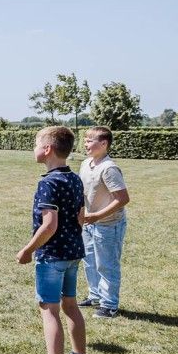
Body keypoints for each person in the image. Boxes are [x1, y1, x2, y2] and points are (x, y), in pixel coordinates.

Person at [16, 126, 90, 354]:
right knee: (70, 305)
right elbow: (81, 217)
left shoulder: (48, 183)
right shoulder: (74, 179)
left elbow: (49, 225)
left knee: (49, 311)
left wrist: (28, 250)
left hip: (52, 256)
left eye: (36, 143)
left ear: (47, 149)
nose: (34, 148)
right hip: (73, 254)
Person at [77, 126, 130, 318]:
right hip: (90, 223)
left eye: (90, 140)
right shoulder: (86, 163)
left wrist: (98, 216)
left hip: (109, 224)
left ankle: (109, 305)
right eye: (85, 140)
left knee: (106, 264)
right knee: (89, 261)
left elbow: (122, 198)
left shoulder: (109, 168)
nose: (86, 143)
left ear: (104, 143)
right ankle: (95, 296)